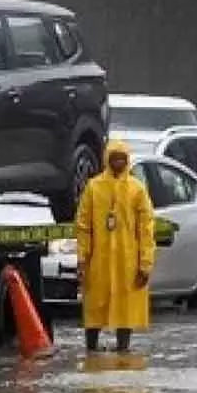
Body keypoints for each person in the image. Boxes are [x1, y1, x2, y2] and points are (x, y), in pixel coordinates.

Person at [76, 139, 155, 353]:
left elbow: (146, 229)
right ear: (107, 159)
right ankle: (90, 349)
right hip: (98, 261)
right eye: (115, 158)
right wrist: (82, 259)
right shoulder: (94, 187)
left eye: (123, 158)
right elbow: (83, 226)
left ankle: (123, 349)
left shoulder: (137, 190)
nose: (119, 162)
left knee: (126, 308)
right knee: (95, 306)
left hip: (127, 261)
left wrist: (145, 264)